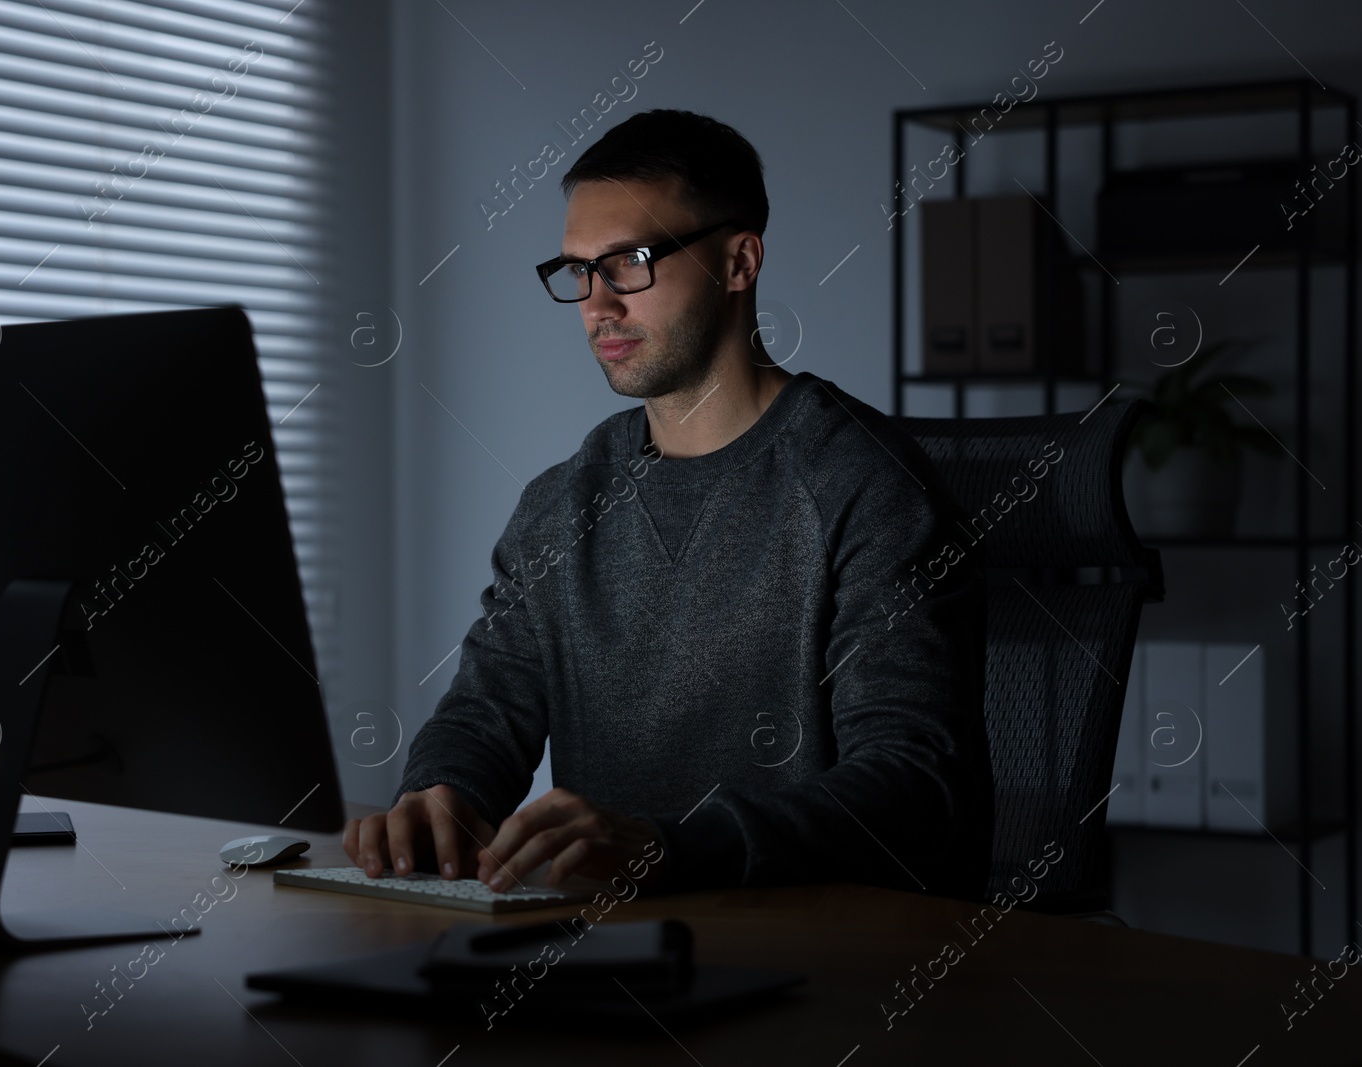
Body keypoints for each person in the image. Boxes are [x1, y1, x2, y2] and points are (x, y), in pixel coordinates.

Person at [344, 108, 993, 900]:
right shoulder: (561, 503)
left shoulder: (867, 485)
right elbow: (485, 712)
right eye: (578, 270)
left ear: (738, 262)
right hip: (614, 955)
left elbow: (915, 786)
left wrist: (669, 850)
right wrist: (440, 796)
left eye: (628, 263)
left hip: (827, 967)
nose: (596, 305)